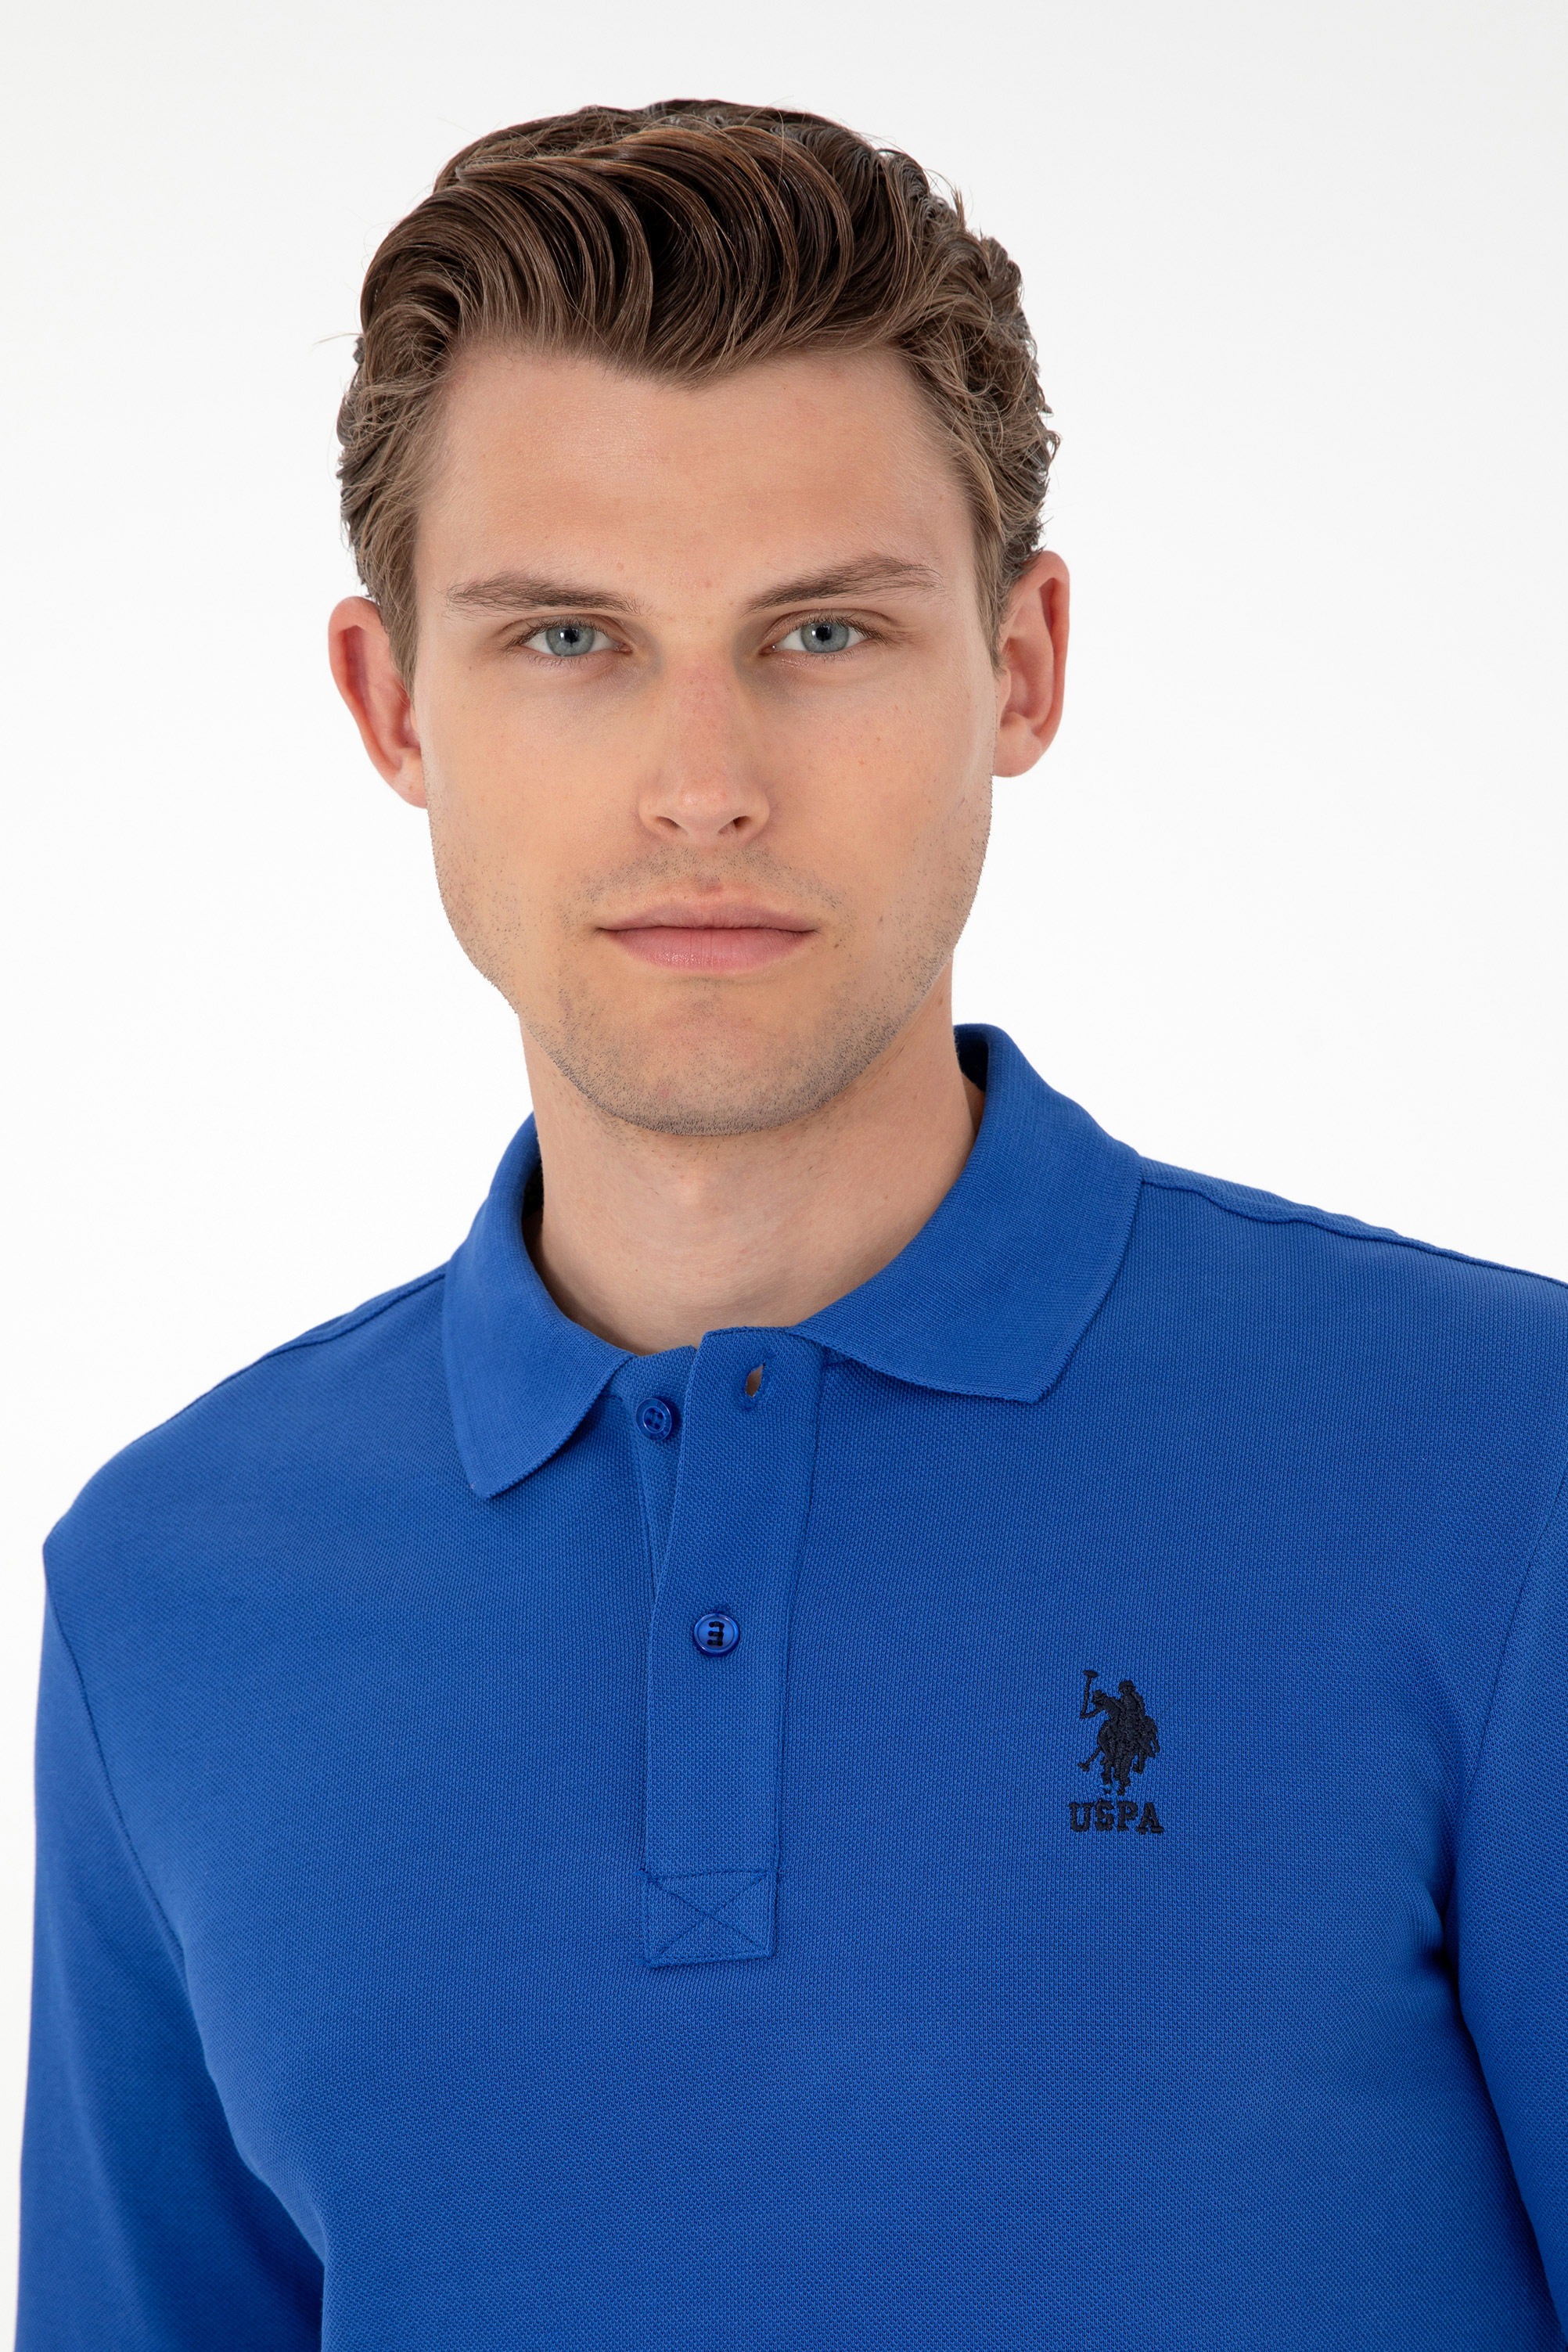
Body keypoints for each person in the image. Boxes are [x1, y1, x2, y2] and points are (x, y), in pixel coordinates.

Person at [18, 98, 1568, 2352]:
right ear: (391, 703)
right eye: (569, 637)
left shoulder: (1504, 1466)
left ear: (1021, 666)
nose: (705, 783)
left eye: (822, 630)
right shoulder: (162, 1591)